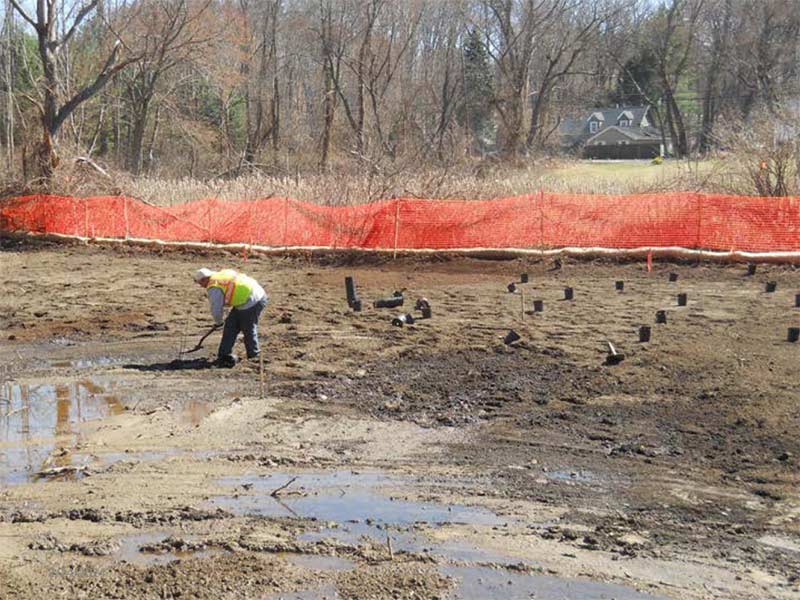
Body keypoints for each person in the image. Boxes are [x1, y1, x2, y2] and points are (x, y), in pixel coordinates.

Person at [193, 267, 268, 367]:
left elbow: (216, 309)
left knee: (248, 327)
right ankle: (223, 355)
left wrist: (218, 322)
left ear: (204, 279)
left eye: (200, 283)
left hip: (252, 300)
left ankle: (254, 355)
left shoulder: (214, 287)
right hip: (252, 294)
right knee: (230, 325)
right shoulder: (221, 274)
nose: (201, 286)